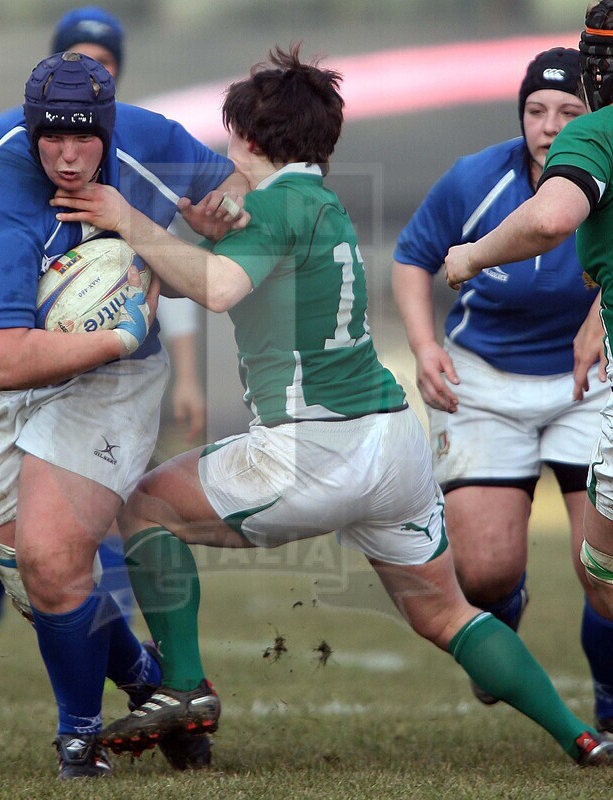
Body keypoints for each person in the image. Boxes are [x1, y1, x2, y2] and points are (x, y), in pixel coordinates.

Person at [49, 43, 613, 768]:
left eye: (233, 135)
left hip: (311, 447)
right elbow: (217, 274)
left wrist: (129, 218)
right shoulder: (315, 201)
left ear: (250, 139)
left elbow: (218, 288)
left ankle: (184, 690)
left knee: (143, 508)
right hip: (391, 442)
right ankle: (583, 739)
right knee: (446, 613)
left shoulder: (278, 204)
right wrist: (194, 233)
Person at [0, 50, 246, 779]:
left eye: (84, 139)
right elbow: (5, 361)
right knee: (39, 587)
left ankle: (79, 739)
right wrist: (119, 329)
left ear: (109, 128)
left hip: (112, 380)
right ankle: (149, 686)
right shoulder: (2, 196)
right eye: (51, 138)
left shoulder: (153, 139)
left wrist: (190, 220)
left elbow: (232, 201)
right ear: (30, 129)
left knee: (51, 555)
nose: (68, 156)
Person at [0, 6, 206, 692]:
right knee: (18, 554)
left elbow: (145, 276)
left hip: (90, 375)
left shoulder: (137, 146)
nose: (90, 79)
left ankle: (126, 690)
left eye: (104, 69)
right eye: (79, 61)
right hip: (5, 363)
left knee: (71, 539)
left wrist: (184, 368)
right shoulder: (4, 142)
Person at [392, 46, 613, 720]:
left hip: (588, 383)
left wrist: (599, 318)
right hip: (484, 381)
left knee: (597, 563)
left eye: (567, 111)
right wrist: (426, 348)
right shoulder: (475, 178)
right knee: (484, 569)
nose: (549, 124)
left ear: (591, 114)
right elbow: (411, 258)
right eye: (535, 110)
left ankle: (608, 698)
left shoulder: (603, 160)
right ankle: (501, 613)